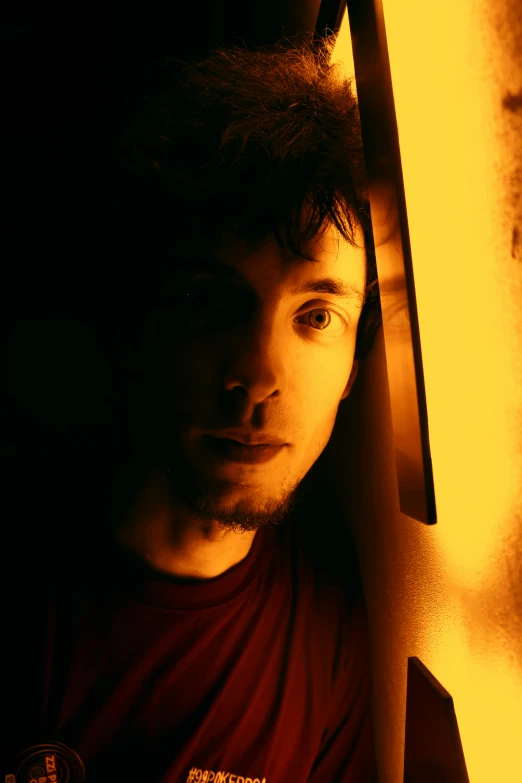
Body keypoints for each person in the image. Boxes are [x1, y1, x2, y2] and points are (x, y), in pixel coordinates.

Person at [3, 32, 381, 782]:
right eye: (212, 302)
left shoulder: (332, 629)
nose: (258, 374)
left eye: (315, 316)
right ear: (140, 320)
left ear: (352, 368)